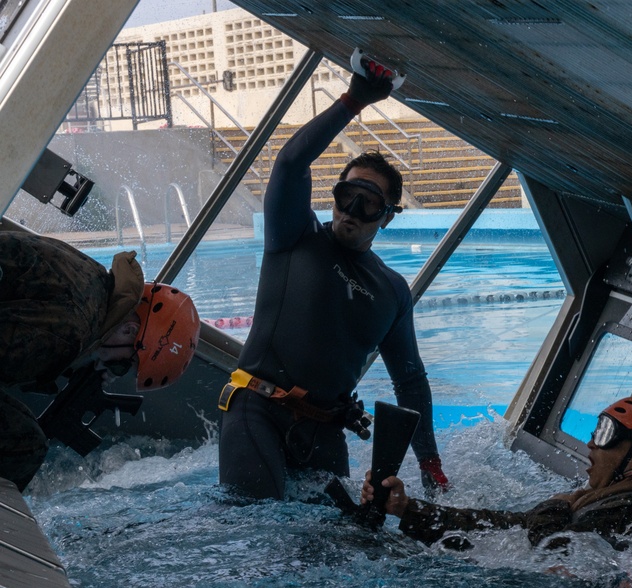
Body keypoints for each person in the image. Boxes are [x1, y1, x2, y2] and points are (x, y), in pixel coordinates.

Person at [217, 56, 449, 500]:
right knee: (253, 521)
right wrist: (352, 100)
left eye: (368, 204)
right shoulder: (295, 235)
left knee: (344, 542)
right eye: (346, 196)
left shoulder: (392, 291)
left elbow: (411, 381)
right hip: (256, 409)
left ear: (386, 217)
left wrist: (430, 464)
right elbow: (288, 164)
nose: (351, 213)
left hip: (324, 430)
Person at [0, 230, 201, 491]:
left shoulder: (94, 280)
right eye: (123, 364)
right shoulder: (70, 330)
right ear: (129, 331)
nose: (113, 374)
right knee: (24, 444)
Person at [361, 397, 632, 550]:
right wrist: (407, 509)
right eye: (595, 430)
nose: (591, 444)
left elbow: (557, 556)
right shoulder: (604, 501)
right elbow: (502, 526)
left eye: (605, 434)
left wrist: (556, 506)